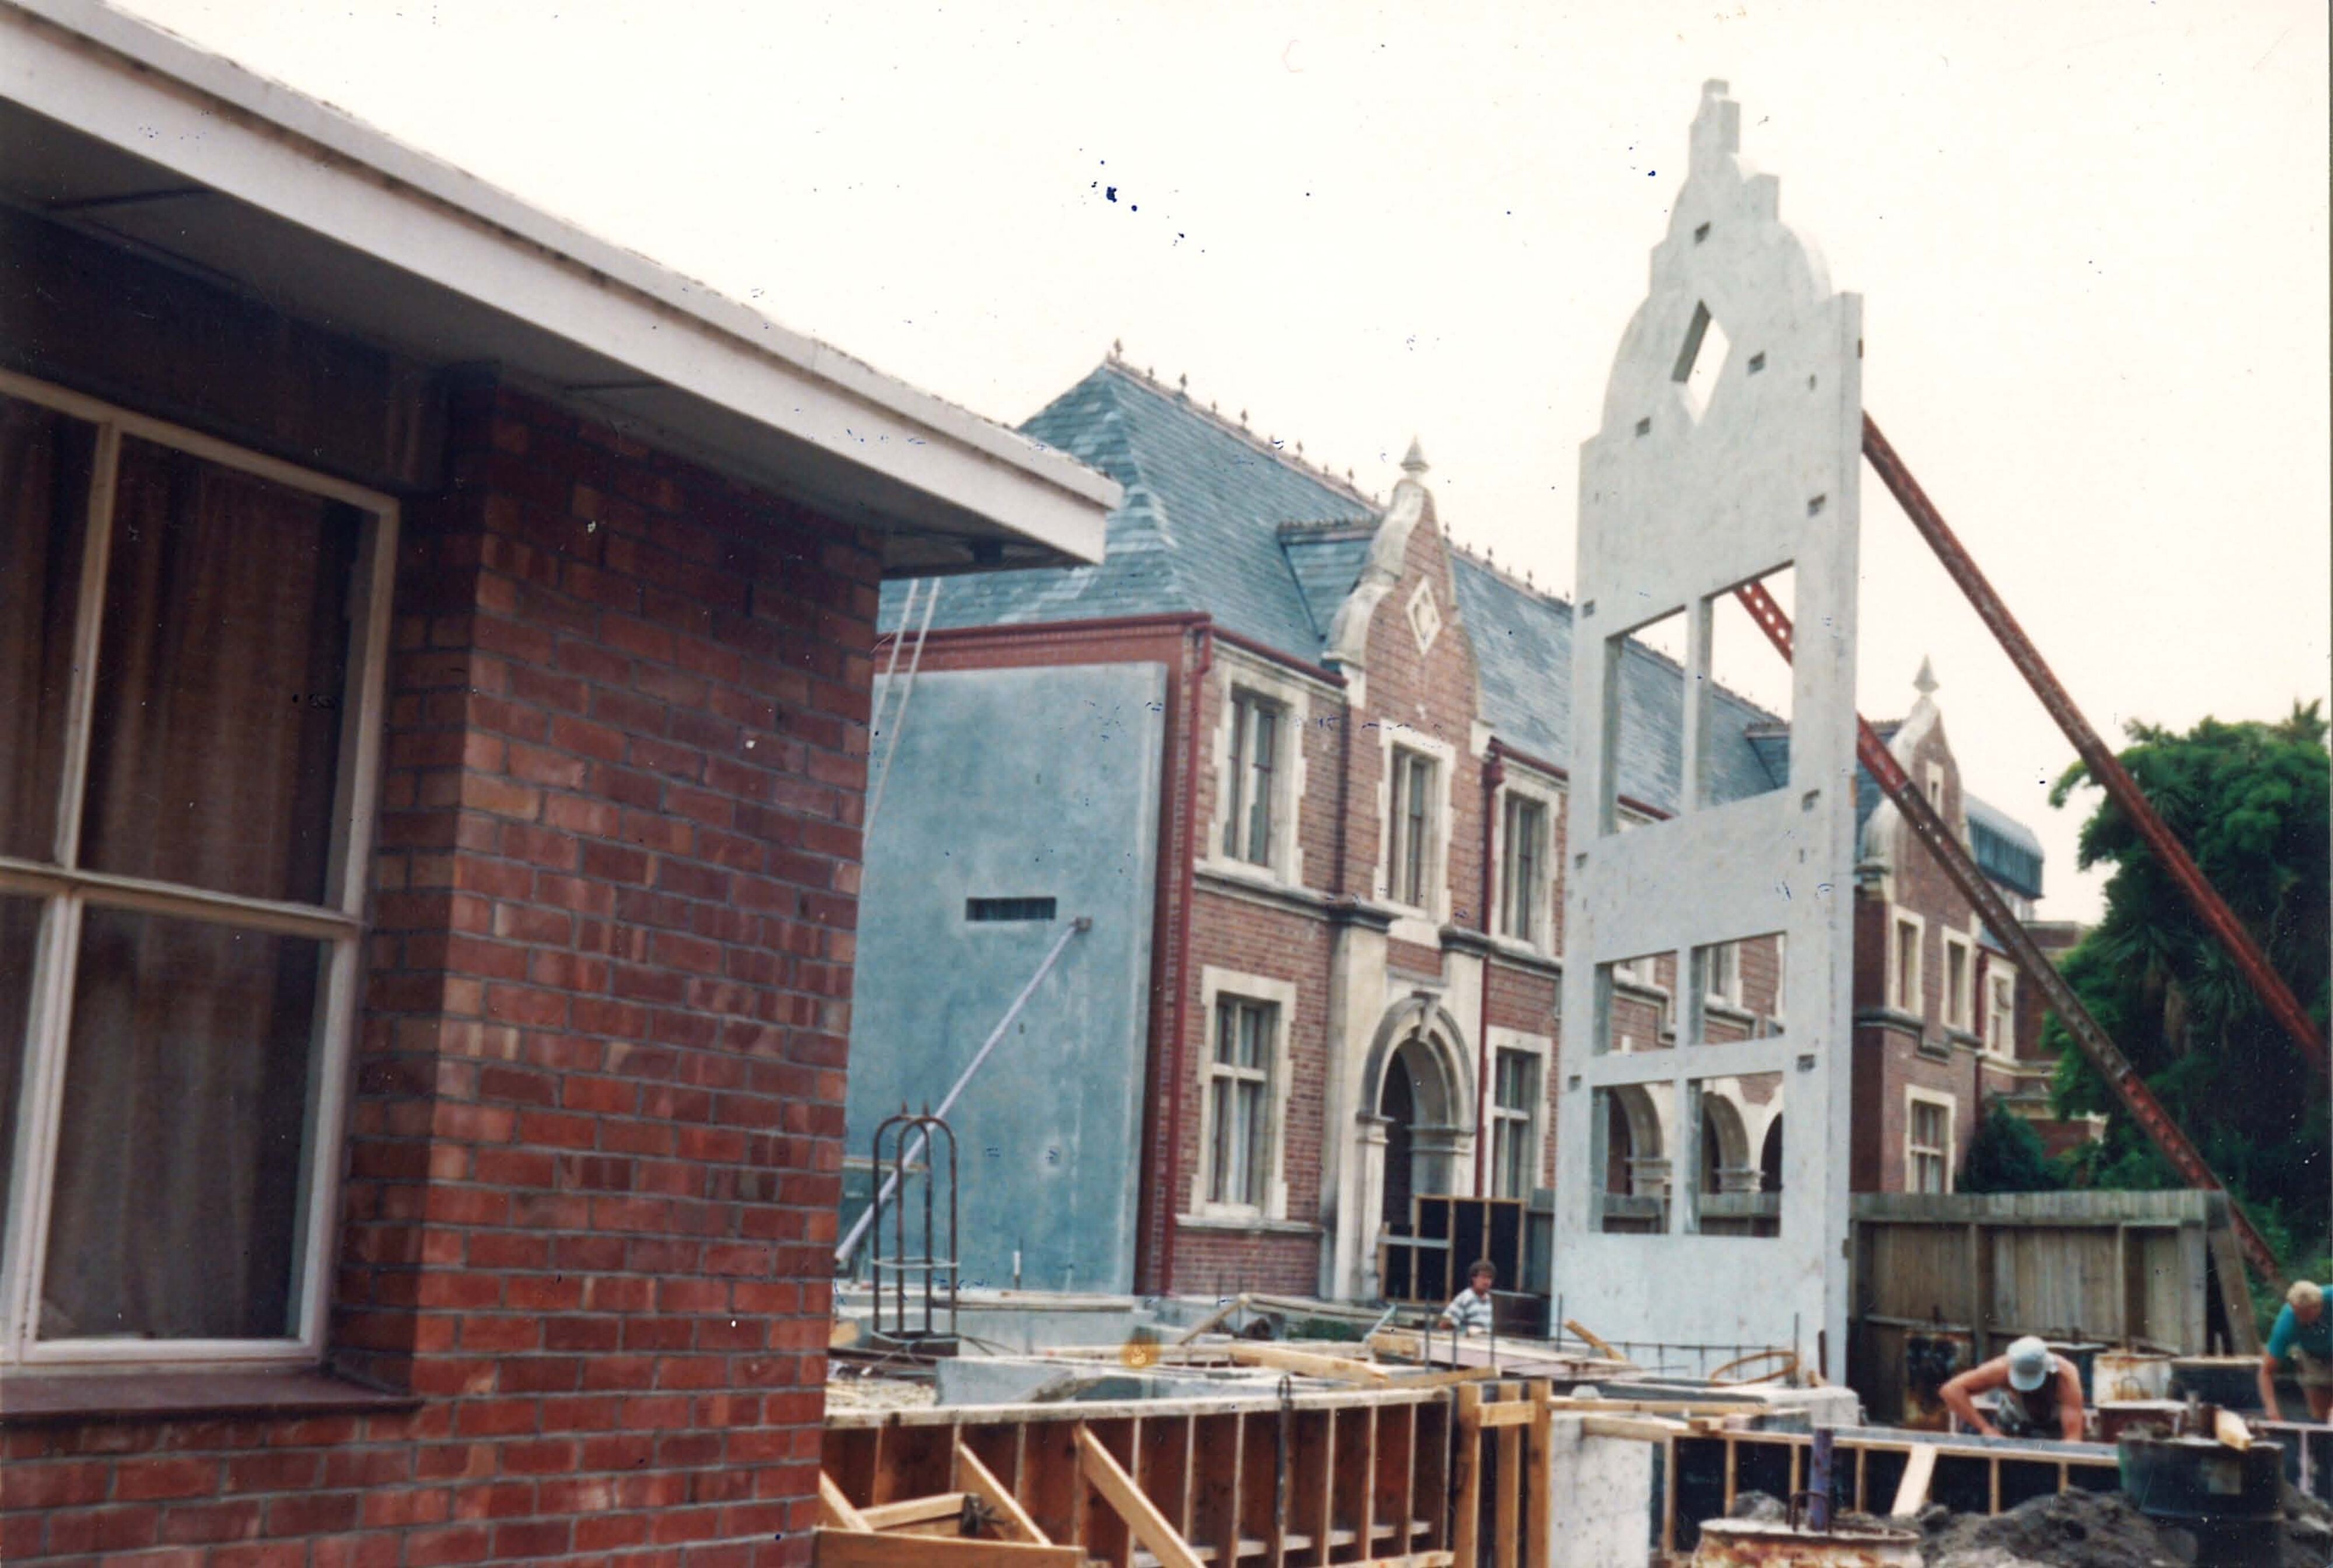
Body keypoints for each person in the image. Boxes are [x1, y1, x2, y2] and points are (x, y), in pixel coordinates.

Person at [1940, 1335, 2085, 1441]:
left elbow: (2072, 1437)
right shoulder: (2001, 1369)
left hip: (2055, 1430)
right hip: (2013, 1423)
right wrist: (1985, 1428)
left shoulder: (2065, 1376)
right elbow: (1951, 1390)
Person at [2259, 1279, 2332, 1422]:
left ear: (2319, 1306)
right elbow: (2266, 1371)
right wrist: (2272, 1413)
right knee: (2320, 1415)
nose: (2302, 1319)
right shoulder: (2287, 1322)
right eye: (2299, 1314)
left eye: (2307, 1315)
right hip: (2313, 1356)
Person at [1439, 1259, 1498, 1336]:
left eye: (1489, 1278)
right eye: (1483, 1277)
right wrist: (1467, 1331)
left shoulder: (1490, 1300)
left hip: (1486, 1344)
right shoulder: (1465, 1298)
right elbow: (1444, 1324)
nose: (1487, 1281)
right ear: (1474, 1278)